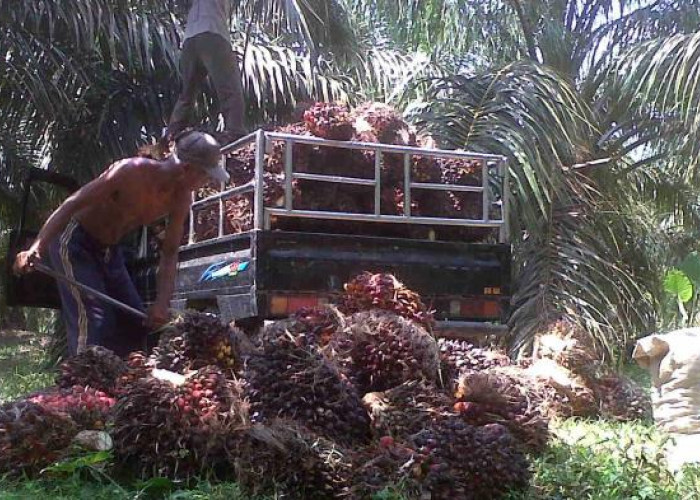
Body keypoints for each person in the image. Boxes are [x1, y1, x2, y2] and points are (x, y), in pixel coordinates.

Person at [13, 131, 229, 357]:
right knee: (95, 323)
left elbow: (170, 252)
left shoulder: (182, 198)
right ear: (186, 169)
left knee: (137, 324)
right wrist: (37, 247)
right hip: (75, 241)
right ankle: (80, 387)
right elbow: (70, 205)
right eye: (206, 175)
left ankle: (119, 386)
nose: (208, 181)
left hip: (109, 251)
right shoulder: (130, 172)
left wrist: (161, 304)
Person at [167, 0, 246, 143]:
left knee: (186, 95)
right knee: (230, 89)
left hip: (190, 40)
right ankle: (235, 132)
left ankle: (172, 134)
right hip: (213, 33)